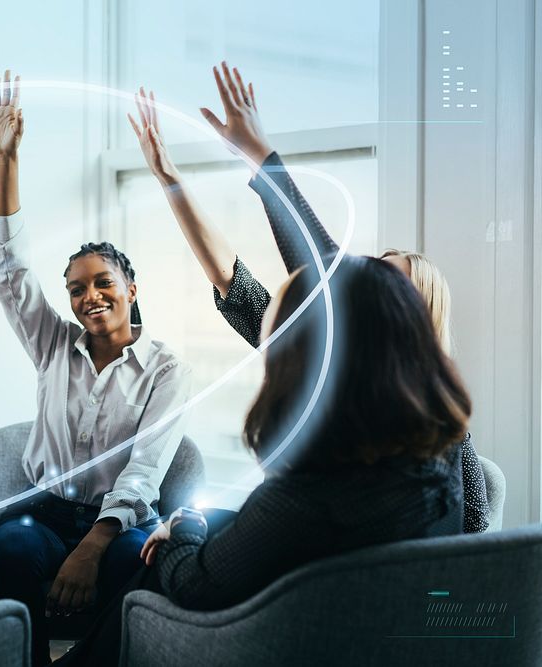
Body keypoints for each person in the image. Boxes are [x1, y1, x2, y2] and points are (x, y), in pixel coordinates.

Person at [58, 253, 473, 666]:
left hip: (296, 640)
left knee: (158, 564)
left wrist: (182, 529)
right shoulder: (444, 450)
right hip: (393, 636)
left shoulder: (305, 496)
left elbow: (194, 585)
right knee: (218, 521)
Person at [127, 62, 489, 533]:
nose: (361, 292)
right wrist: (170, 178)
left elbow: (475, 535)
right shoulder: (317, 366)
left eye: (386, 288)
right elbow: (229, 277)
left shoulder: (442, 438)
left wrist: (263, 158)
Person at [0, 70, 192, 665]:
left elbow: (146, 471)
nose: (89, 297)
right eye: (75, 289)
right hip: (44, 515)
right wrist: (6, 160)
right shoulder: (51, 342)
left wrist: (95, 544)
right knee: (13, 549)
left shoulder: (166, 369)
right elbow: (8, 269)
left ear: (131, 288)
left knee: (134, 565)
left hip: (119, 523)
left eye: (104, 283)